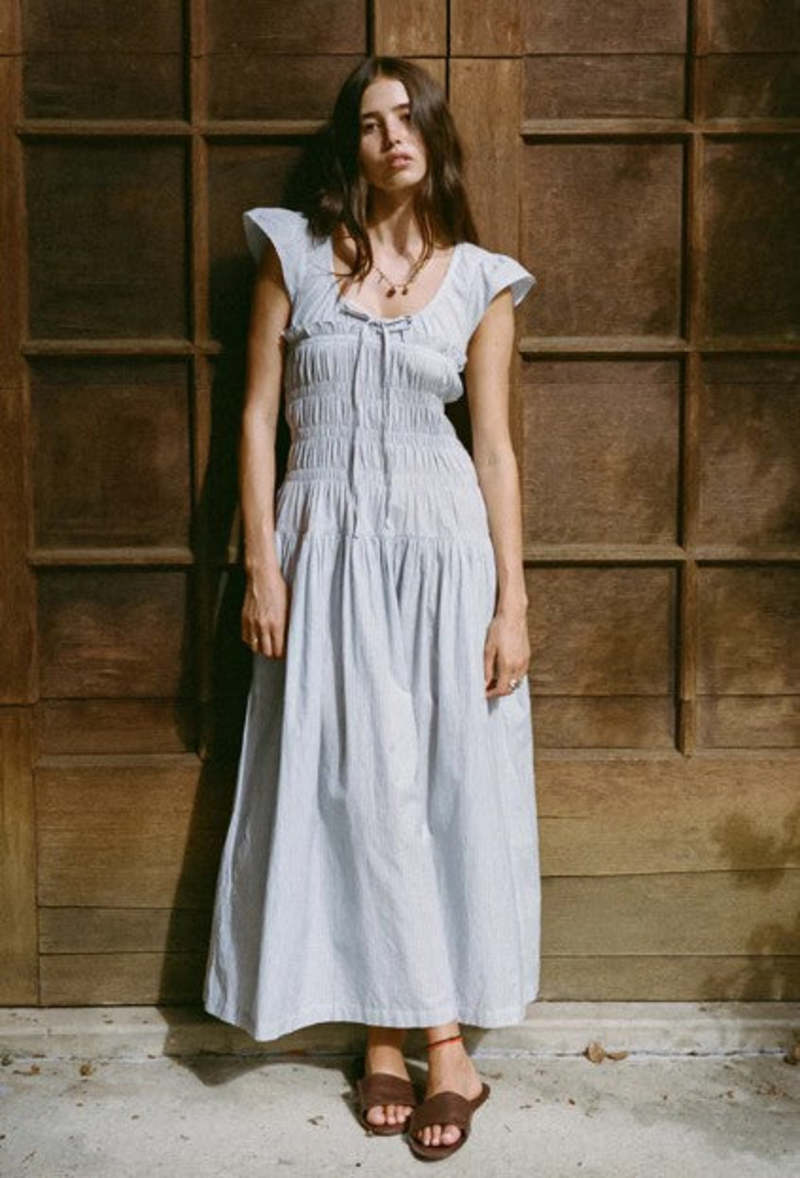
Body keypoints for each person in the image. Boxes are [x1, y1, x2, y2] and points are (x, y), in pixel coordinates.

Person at [203, 54, 541, 1161]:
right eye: (369, 121)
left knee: (439, 785)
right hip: (325, 549)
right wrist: (261, 564)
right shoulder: (295, 255)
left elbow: (493, 450)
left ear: (435, 137)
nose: (391, 136)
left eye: (408, 118)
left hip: (442, 551)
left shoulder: (481, 280)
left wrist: (511, 602)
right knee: (354, 782)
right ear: (348, 145)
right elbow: (257, 419)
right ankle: (401, 1036)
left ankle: (427, 1042)